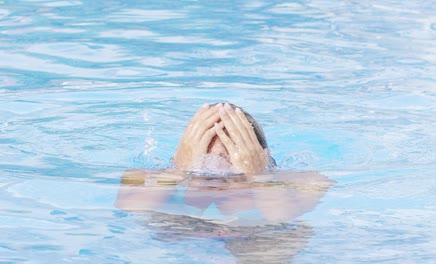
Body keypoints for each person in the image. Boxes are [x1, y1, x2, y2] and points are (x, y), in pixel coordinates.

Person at [115, 102, 334, 262]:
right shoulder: (142, 177)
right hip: (181, 235)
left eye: (231, 161)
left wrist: (257, 176)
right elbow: (132, 209)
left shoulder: (304, 182)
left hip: (257, 238)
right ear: (185, 152)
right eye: (205, 162)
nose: (218, 176)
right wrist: (179, 171)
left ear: (257, 156)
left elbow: (281, 215)